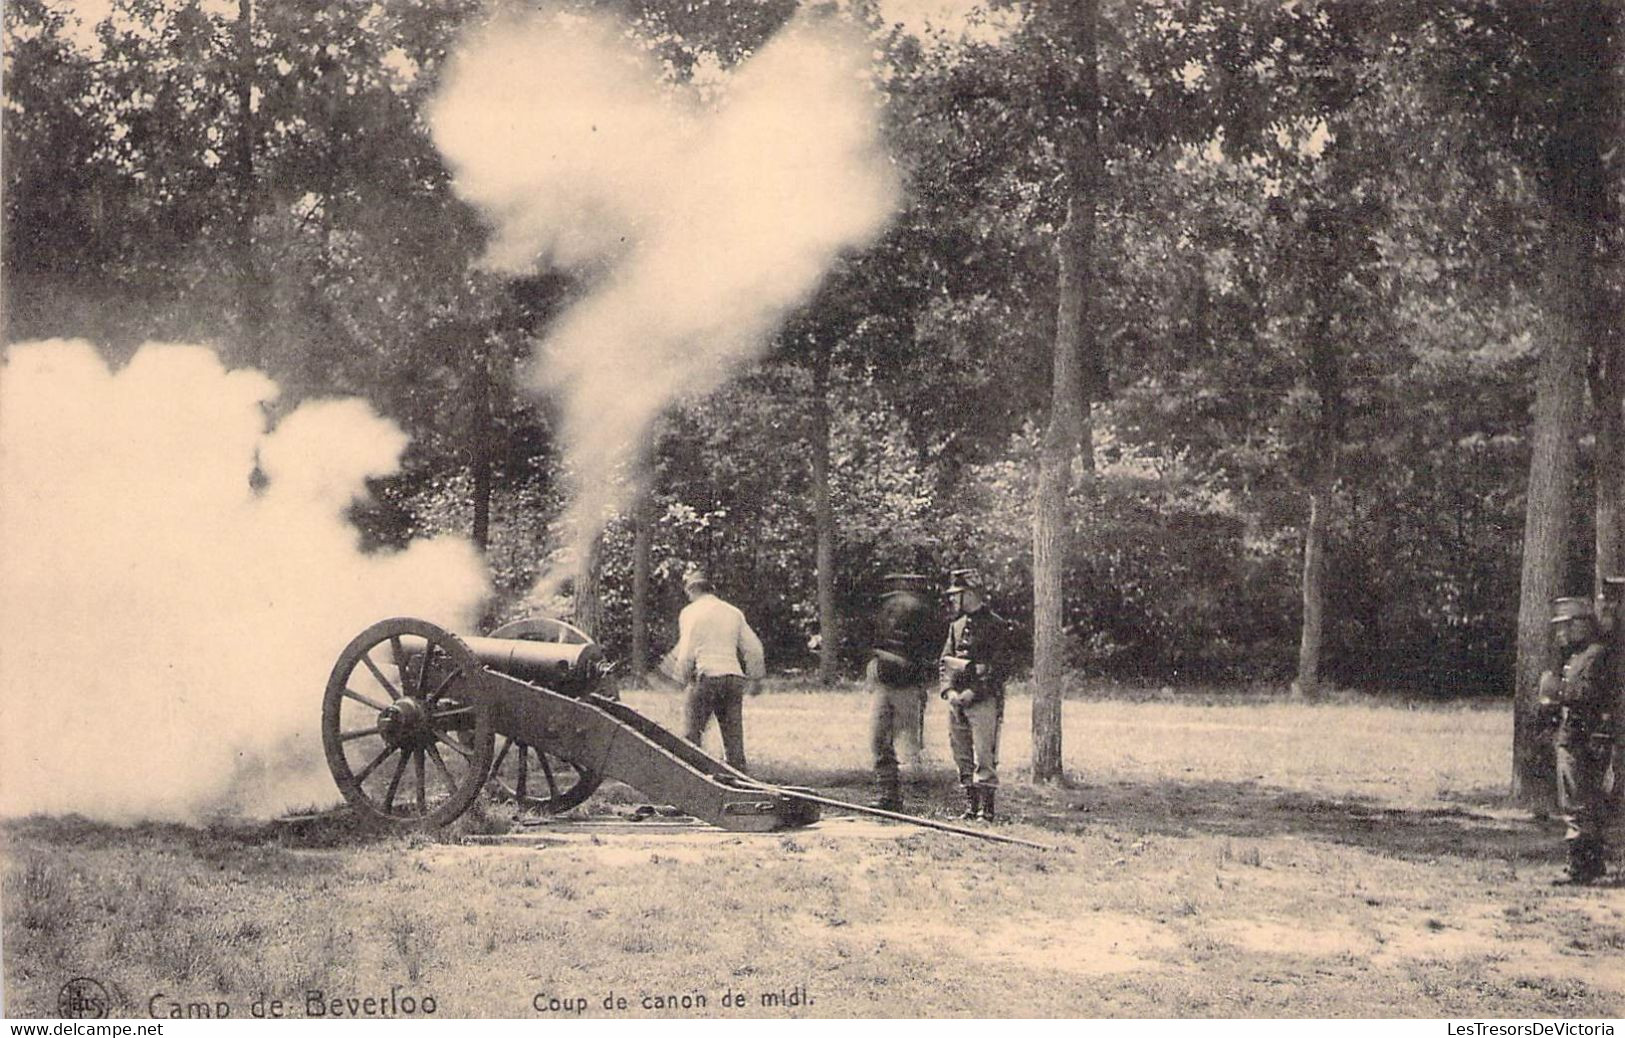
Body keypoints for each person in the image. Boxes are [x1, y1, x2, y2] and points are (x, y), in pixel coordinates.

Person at [1536, 593, 1617, 885]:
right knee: (1578, 801)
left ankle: (1582, 865)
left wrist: (1556, 690)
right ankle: (1590, 863)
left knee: (1578, 802)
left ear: (1581, 625)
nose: (1560, 633)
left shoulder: (1594, 655)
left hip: (1584, 739)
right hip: (1574, 736)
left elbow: (1589, 696)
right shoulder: (1576, 656)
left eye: (1565, 626)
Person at [673, 567, 766, 773]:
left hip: (706, 677)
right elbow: (754, 648)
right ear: (711, 589)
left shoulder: (689, 612)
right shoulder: (733, 612)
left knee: (690, 738)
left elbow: (687, 651)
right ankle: (739, 783)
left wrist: (680, 677)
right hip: (733, 678)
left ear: (690, 590)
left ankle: (693, 785)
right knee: (733, 740)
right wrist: (756, 678)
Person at [939, 567, 1014, 821]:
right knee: (961, 754)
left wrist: (973, 691)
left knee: (984, 754)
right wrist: (948, 691)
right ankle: (970, 807)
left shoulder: (996, 625)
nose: (953, 599)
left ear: (969, 594)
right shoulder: (956, 625)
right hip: (955, 701)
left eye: (957, 594)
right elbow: (945, 661)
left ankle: (987, 810)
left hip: (982, 700)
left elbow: (1000, 668)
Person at [867, 573, 944, 811]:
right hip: (884, 685)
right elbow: (872, 646)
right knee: (879, 740)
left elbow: (932, 655)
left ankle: (920, 800)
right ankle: (888, 796)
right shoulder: (885, 614)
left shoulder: (925, 616)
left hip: (908, 687)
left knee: (910, 746)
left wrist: (904, 663)